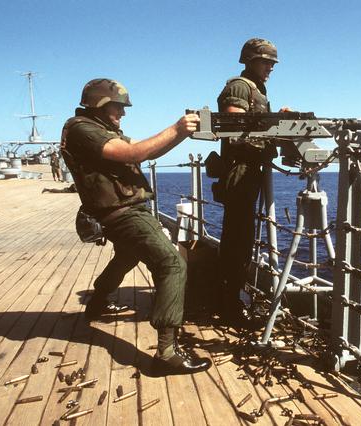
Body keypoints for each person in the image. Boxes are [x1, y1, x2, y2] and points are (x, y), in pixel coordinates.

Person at [61, 78, 211, 375]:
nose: (123, 113)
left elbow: (147, 151)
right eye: (118, 107)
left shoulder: (101, 130)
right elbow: (133, 154)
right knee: (172, 264)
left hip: (120, 210)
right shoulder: (82, 129)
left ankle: (98, 302)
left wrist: (182, 134)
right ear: (100, 104)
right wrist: (177, 128)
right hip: (122, 213)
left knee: (127, 256)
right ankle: (167, 354)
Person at [215, 38, 285, 328]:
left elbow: (254, 124)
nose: (270, 68)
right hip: (239, 170)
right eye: (266, 62)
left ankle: (230, 299)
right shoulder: (239, 87)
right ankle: (229, 305)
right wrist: (273, 123)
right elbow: (235, 126)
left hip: (249, 170)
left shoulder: (257, 89)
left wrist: (276, 119)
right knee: (238, 240)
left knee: (241, 239)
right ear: (250, 60)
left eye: (272, 63)